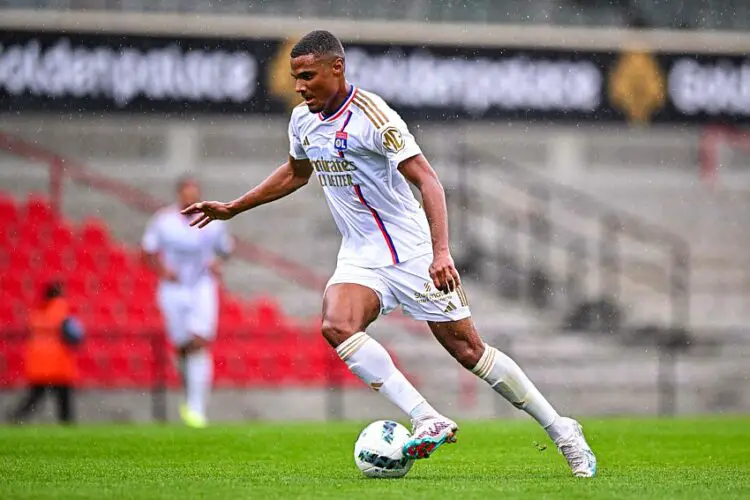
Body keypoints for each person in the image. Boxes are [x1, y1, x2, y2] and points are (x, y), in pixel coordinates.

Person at [182, 31, 596, 476]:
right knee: (336, 324)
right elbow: (296, 173)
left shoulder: (375, 117)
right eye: (294, 78)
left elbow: (429, 181)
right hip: (361, 255)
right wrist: (233, 207)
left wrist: (441, 253)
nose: (299, 87)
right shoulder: (302, 121)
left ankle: (563, 431)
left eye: (307, 76)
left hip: (413, 252)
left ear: (336, 69)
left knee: (469, 351)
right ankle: (426, 417)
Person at [142, 175, 234, 428]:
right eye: (186, 194)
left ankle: (196, 408)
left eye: (194, 194)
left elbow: (225, 249)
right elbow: (147, 252)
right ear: (179, 195)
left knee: (199, 341)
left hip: (202, 285)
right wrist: (163, 271)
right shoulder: (164, 221)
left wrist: (218, 263)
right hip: (173, 289)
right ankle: (189, 395)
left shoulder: (212, 221)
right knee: (183, 346)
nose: (190, 198)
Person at [9, 281, 84, 424]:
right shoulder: (62, 313)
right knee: (64, 399)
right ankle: (67, 425)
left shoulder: (37, 314)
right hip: (58, 364)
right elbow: (75, 337)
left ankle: (17, 417)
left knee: (34, 397)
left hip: (38, 365)